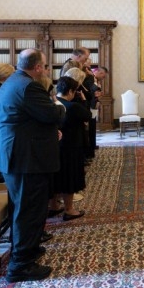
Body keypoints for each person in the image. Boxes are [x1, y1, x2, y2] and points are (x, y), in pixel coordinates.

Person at [0, 48, 65, 283]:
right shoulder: (29, 86)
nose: (45, 70)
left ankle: (27, 250)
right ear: (37, 67)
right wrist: (59, 106)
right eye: (44, 66)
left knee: (24, 208)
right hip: (25, 158)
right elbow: (52, 114)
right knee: (28, 211)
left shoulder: (14, 81)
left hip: (19, 155)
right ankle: (21, 265)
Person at [48, 76, 87, 221]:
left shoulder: (51, 104)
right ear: (71, 91)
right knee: (70, 178)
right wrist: (83, 100)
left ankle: (53, 206)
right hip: (71, 147)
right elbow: (88, 115)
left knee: (56, 177)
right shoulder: (73, 107)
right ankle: (69, 209)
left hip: (54, 146)